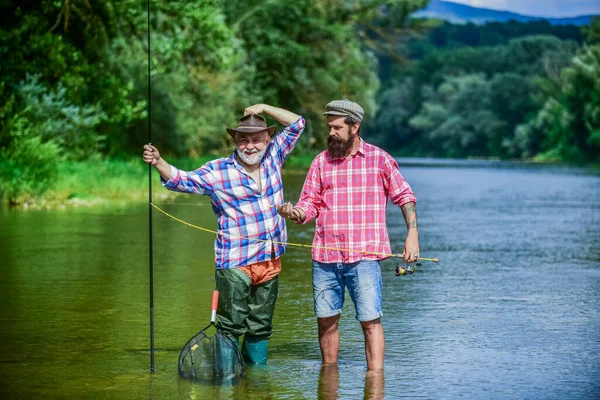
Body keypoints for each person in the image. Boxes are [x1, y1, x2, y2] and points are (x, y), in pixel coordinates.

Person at [143, 104, 305, 364]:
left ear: (267, 140)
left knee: (261, 327)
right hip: (234, 263)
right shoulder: (218, 170)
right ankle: (229, 384)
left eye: (256, 139)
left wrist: (263, 107)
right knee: (230, 327)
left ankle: (256, 383)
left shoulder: (275, 155)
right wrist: (159, 161)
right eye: (244, 140)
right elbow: (182, 180)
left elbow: (297, 124)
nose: (250, 146)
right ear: (236, 141)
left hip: (270, 260)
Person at [277, 99, 419, 371]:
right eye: (329, 126)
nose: (331, 132)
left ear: (355, 127)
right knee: (326, 320)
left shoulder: (380, 159)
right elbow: (310, 203)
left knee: (370, 321)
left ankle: (375, 382)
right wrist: (295, 213)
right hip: (325, 257)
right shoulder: (321, 162)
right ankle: (329, 380)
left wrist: (412, 233)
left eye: (337, 127)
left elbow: (405, 197)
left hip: (365, 259)